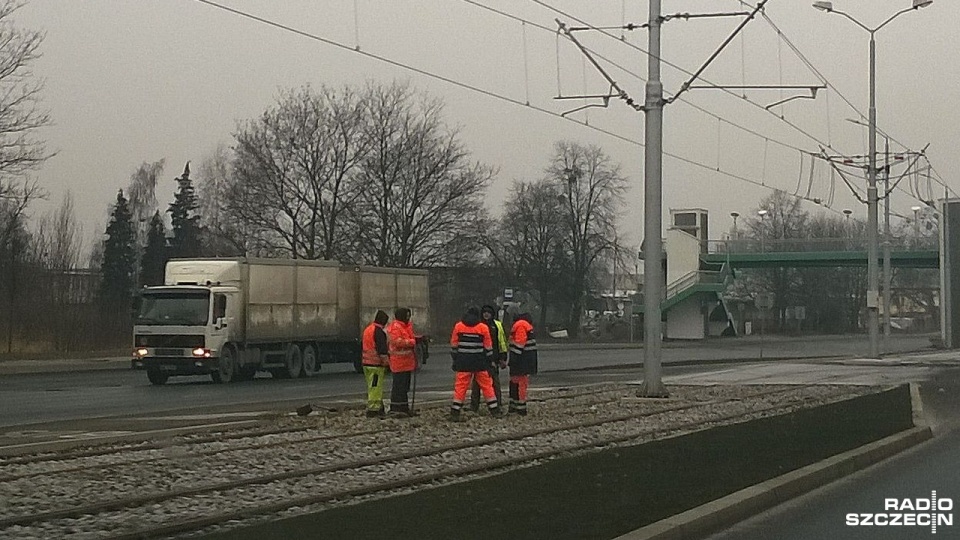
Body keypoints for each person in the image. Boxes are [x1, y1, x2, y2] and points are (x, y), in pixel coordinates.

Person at [449, 306, 503, 421]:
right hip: (480, 362)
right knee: (487, 386)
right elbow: (488, 347)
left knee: (460, 386)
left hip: (463, 362)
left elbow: (454, 345)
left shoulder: (458, 326)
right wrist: (490, 361)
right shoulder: (482, 327)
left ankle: (455, 411)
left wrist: (455, 359)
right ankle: (495, 410)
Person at [470, 304, 507, 412]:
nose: (486, 314)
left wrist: (502, 357)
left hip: (493, 358)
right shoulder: (478, 325)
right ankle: (474, 406)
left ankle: (497, 403)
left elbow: (501, 342)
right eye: (484, 312)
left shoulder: (497, 325)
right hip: (480, 358)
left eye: (488, 312)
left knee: (495, 383)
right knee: (476, 384)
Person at [386, 307, 418, 417]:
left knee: (404, 387)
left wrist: (416, 339)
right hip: (399, 363)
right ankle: (395, 408)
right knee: (398, 386)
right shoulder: (396, 327)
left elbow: (409, 338)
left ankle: (404, 408)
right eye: (407, 315)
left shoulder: (406, 327)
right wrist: (413, 342)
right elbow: (397, 342)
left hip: (407, 363)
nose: (409, 318)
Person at [360, 310, 390, 418]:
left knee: (371, 386)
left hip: (366, 363)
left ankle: (377, 406)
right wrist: (387, 363)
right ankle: (374, 409)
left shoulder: (368, 329)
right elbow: (382, 349)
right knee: (376, 387)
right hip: (375, 365)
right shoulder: (379, 332)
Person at [508, 311, 538, 415]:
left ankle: (519, 407)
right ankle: (516, 406)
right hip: (526, 359)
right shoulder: (526, 325)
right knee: (517, 382)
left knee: (518, 383)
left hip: (521, 360)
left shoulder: (520, 325)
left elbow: (519, 344)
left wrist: (513, 358)